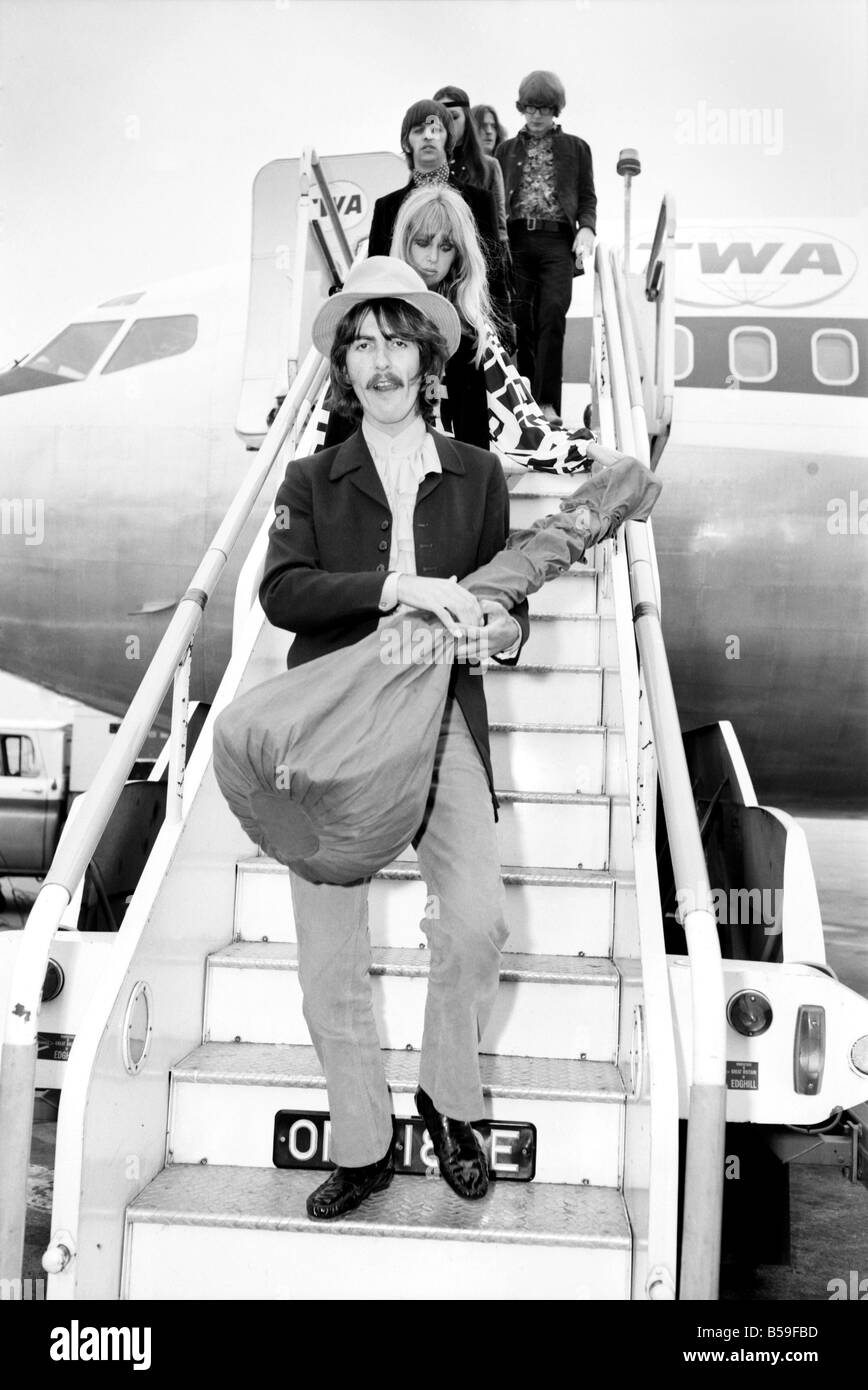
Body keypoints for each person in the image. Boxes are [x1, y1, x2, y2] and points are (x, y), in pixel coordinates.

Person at [258, 256, 530, 1221]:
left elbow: (504, 606)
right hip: (330, 733)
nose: (379, 362)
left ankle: (449, 1099)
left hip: (441, 717)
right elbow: (281, 591)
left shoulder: (480, 477)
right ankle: (364, 1146)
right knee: (328, 962)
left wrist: (500, 630)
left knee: (476, 920)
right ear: (345, 367)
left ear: (427, 360)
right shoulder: (310, 478)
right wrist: (395, 589)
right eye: (362, 345)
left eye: (397, 342)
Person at [319, 186, 592, 464]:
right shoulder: (368, 317)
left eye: (446, 247)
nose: (433, 258)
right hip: (370, 470)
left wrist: (582, 449)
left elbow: (515, 419)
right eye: (423, 243)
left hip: (450, 477)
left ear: (459, 254)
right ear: (404, 241)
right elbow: (339, 412)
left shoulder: (472, 329)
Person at [496, 70, 596, 423]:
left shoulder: (577, 148)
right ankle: (523, 401)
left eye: (544, 108)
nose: (536, 115)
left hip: (557, 241)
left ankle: (547, 402)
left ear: (556, 111)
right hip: (517, 240)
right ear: (521, 108)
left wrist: (587, 229)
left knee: (552, 314)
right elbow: (495, 199)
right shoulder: (505, 151)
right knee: (520, 318)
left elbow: (587, 196)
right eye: (530, 108)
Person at [367, 99, 510, 338]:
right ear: (406, 142)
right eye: (419, 130)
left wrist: (503, 330)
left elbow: (492, 271)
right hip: (405, 329)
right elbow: (378, 274)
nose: (428, 136)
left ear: (449, 140)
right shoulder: (387, 207)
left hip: (466, 330)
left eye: (436, 129)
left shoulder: (479, 200)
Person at [432, 84, 508, 249]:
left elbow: (500, 229)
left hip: (479, 261)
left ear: (467, 119)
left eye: (453, 116)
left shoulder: (489, 166)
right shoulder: (423, 169)